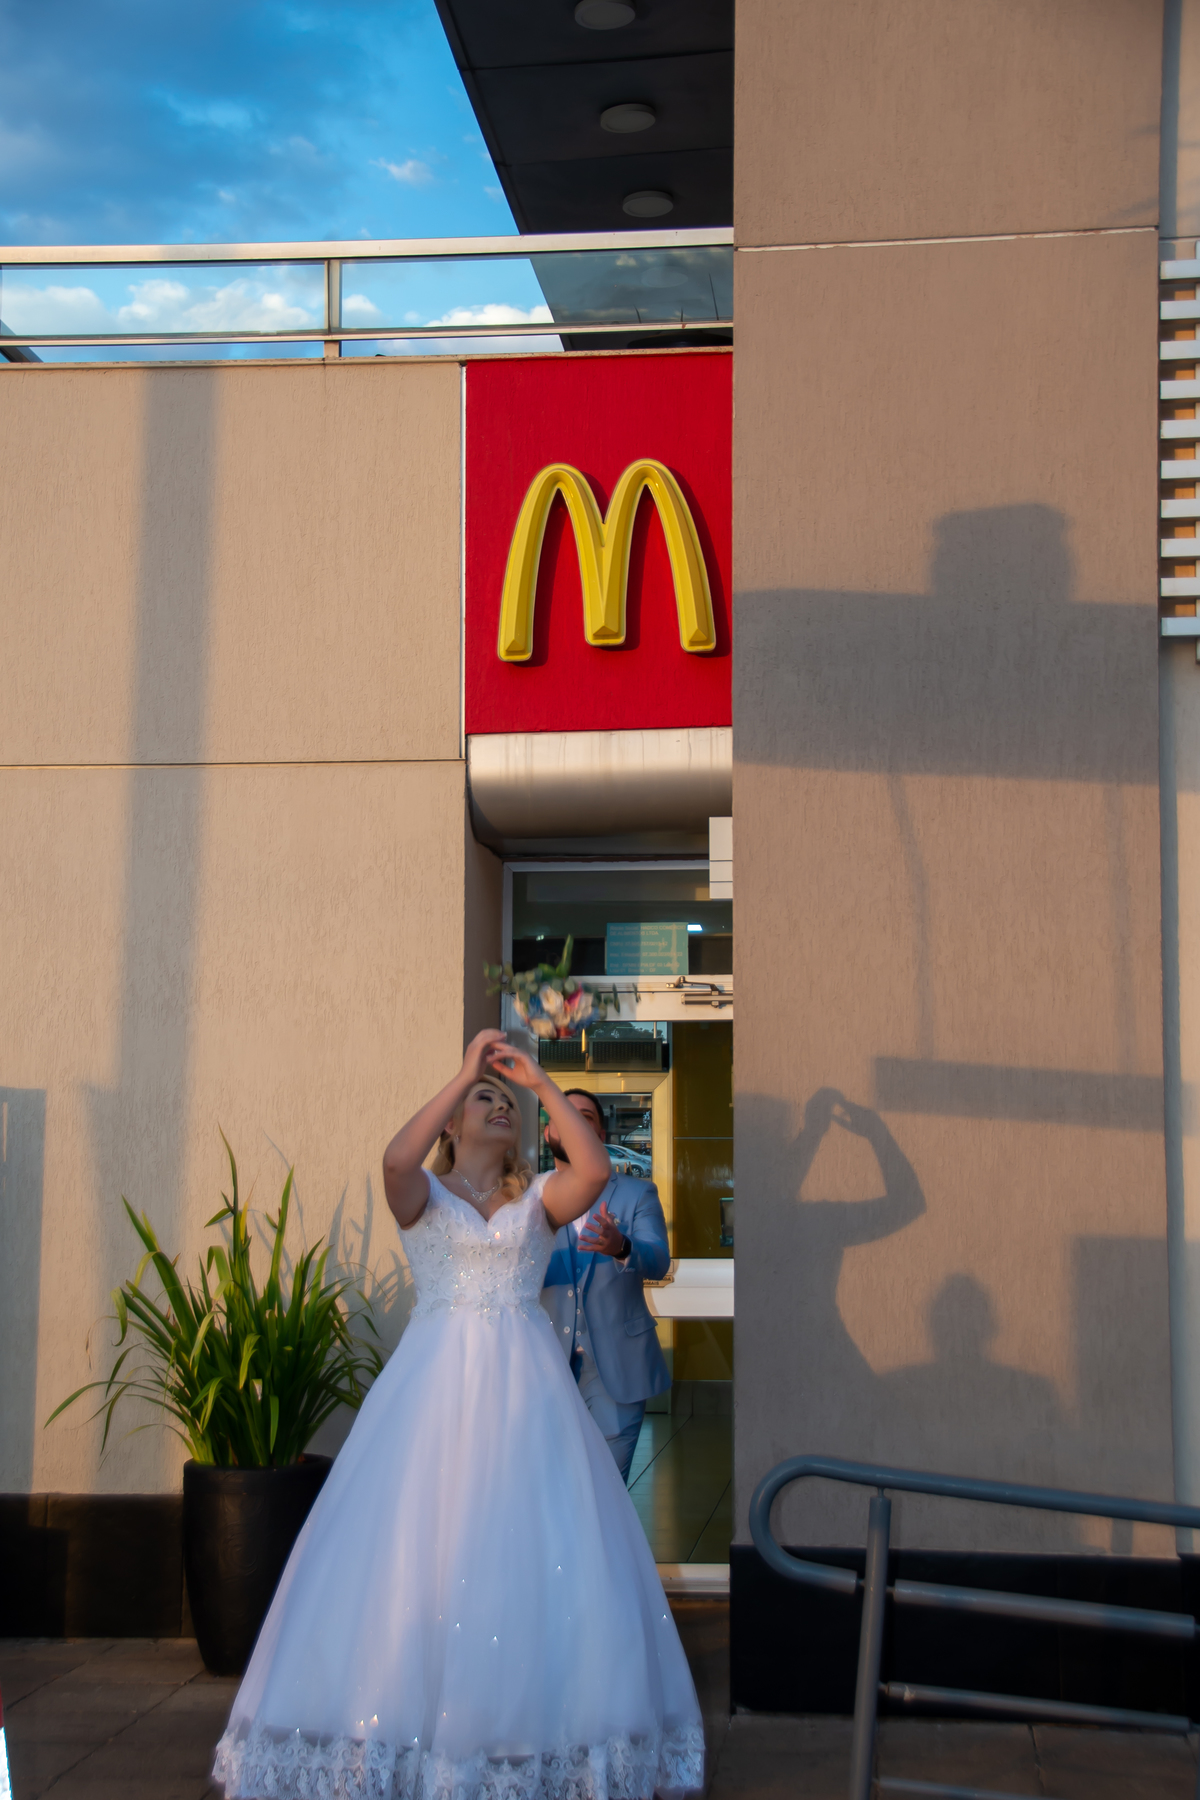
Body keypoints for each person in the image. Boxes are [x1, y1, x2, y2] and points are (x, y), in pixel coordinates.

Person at [212, 1030, 703, 1800]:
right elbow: (394, 1161)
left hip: (528, 1395)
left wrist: (537, 1082)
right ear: (452, 1123)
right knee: (419, 1545)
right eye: (487, 1101)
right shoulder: (424, 1198)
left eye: (506, 1104)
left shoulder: (539, 1201)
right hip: (432, 1394)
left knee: (531, 1547)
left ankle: (524, 1740)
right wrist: (466, 1072)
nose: (498, 1108)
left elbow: (597, 1168)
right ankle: (402, 1737)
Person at [540, 1090, 671, 1483]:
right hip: (544, 1366)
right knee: (550, 1489)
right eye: (564, 1115)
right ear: (549, 1132)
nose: (573, 1122)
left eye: (584, 1116)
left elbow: (659, 1261)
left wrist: (622, 1247)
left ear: (600, 1132)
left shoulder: (637, 1193)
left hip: (618, 1366)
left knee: (607, 1490)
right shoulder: (530, 1195)